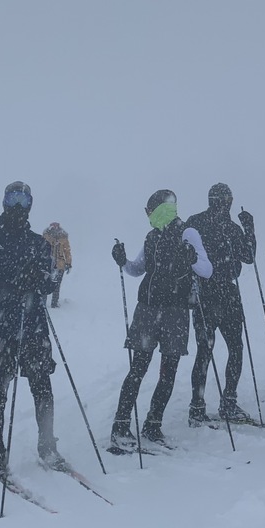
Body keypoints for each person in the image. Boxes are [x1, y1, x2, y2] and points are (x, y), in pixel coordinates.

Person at [0, 181, 64, 477]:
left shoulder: (39, 243)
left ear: (30, 203)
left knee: (41, 386)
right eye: (14, 198)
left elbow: (49, 281)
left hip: (32, 326)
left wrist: (37, 278)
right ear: (5, 201)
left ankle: (47, 445)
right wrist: (11, 283)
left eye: (24, 199)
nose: (19, 205)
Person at [109, 189, 212, 449]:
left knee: (168, 371)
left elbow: (206, 269)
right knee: (138, 369)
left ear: (157, 209)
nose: (147, 216)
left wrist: (191, 260)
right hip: (148, 309)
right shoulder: (152, 236)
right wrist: (122, 261)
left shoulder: (188, 233)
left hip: (175, 312)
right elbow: (137, 269)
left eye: (148, 211)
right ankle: (121, 425)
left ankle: (153, 425)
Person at [185, 183, 257, 425]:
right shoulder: (221, 226)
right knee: (227, 349)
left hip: (214, 293)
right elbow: (249, 256)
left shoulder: (200, 223)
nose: (224, 205)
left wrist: (248, 229)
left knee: (213, 350)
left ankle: (203, 404)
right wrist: (249, 230)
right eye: (225, 200)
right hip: (216, 292)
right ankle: (220, 403)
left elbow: (248, 257)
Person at [42, 222, 72, 308]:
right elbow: (67, 252)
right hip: (50, 264)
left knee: (55, 284)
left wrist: (68, 263)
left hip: (56, 264)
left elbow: (67, 252)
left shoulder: (62, 238)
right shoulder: (46, 237)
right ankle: (47, 303)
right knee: (46, 283)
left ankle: (52, 303)